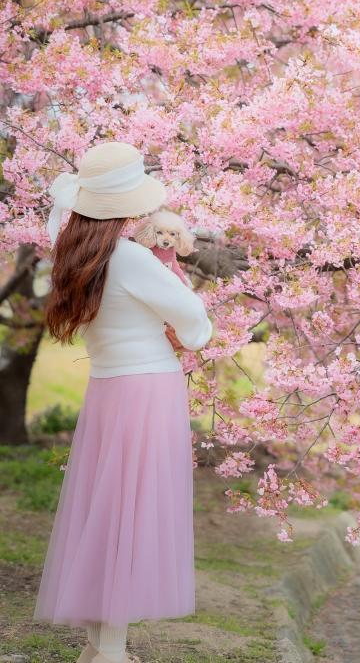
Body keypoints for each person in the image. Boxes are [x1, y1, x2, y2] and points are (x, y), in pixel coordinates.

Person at [32, 141, 214, 663]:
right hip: (148, 391)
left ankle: (101, 646)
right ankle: (108, 651)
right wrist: (179, 322)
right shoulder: (130, 258)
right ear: (129, 208)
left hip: (109, 389)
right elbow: (196, 326)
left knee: (107, 514)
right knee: (128, 522)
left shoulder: (72, 252)